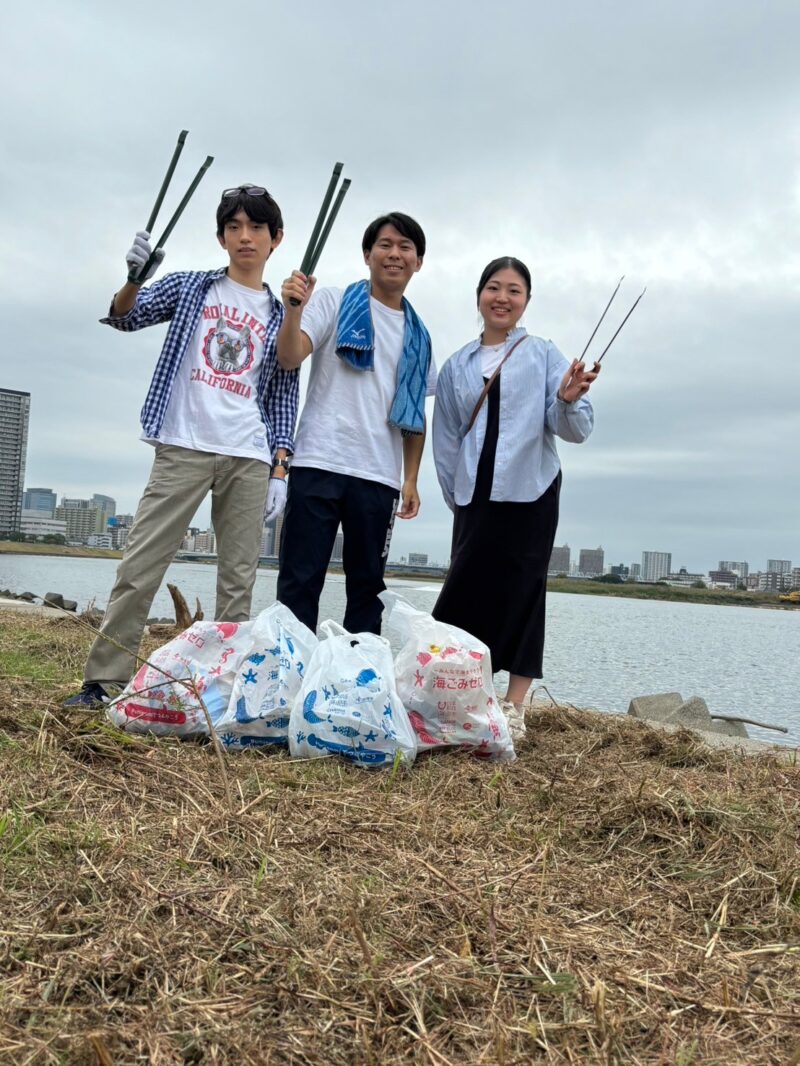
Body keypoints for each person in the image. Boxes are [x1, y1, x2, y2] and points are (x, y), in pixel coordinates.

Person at [64, 185, 299, 708]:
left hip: (250, 454)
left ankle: (219, 695)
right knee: (140, 566)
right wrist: (133, 278)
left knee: (237, 584)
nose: (245, 237)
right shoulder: (193, 287)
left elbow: (285, 396)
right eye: (234, 227)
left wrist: (281, 468)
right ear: (221, 237)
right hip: (182, 445)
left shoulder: (284, 311)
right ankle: (104, 682)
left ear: (275, 238)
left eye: (256, 228)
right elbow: (126, 315)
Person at [431, 256, 600, 739]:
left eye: (514, 290)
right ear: (479, 294)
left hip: (532, 490)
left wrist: (566, 399)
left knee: (526, 590)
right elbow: (446, 440)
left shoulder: (543, 354)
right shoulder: (456, 365)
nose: (502, 298)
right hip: (474, 493)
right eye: (493, 287)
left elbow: (577, 428)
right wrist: (456, 496)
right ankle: (464, 693)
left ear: (526, 301)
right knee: (464, 588)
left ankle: (513, 706)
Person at [275, 212, 436, 634]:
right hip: (318, 462)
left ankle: (358, 687)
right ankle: (287, 684)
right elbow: (290, 357)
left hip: (378, 475)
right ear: (367, 255)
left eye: (406, 247)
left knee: (368, 591)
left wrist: (412, 478)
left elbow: (415, 417)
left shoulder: (419, 337)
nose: (395, 254)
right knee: (299, 582)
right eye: (385, 244)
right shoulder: (331, 300)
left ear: (418, 261)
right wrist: (293, 312)